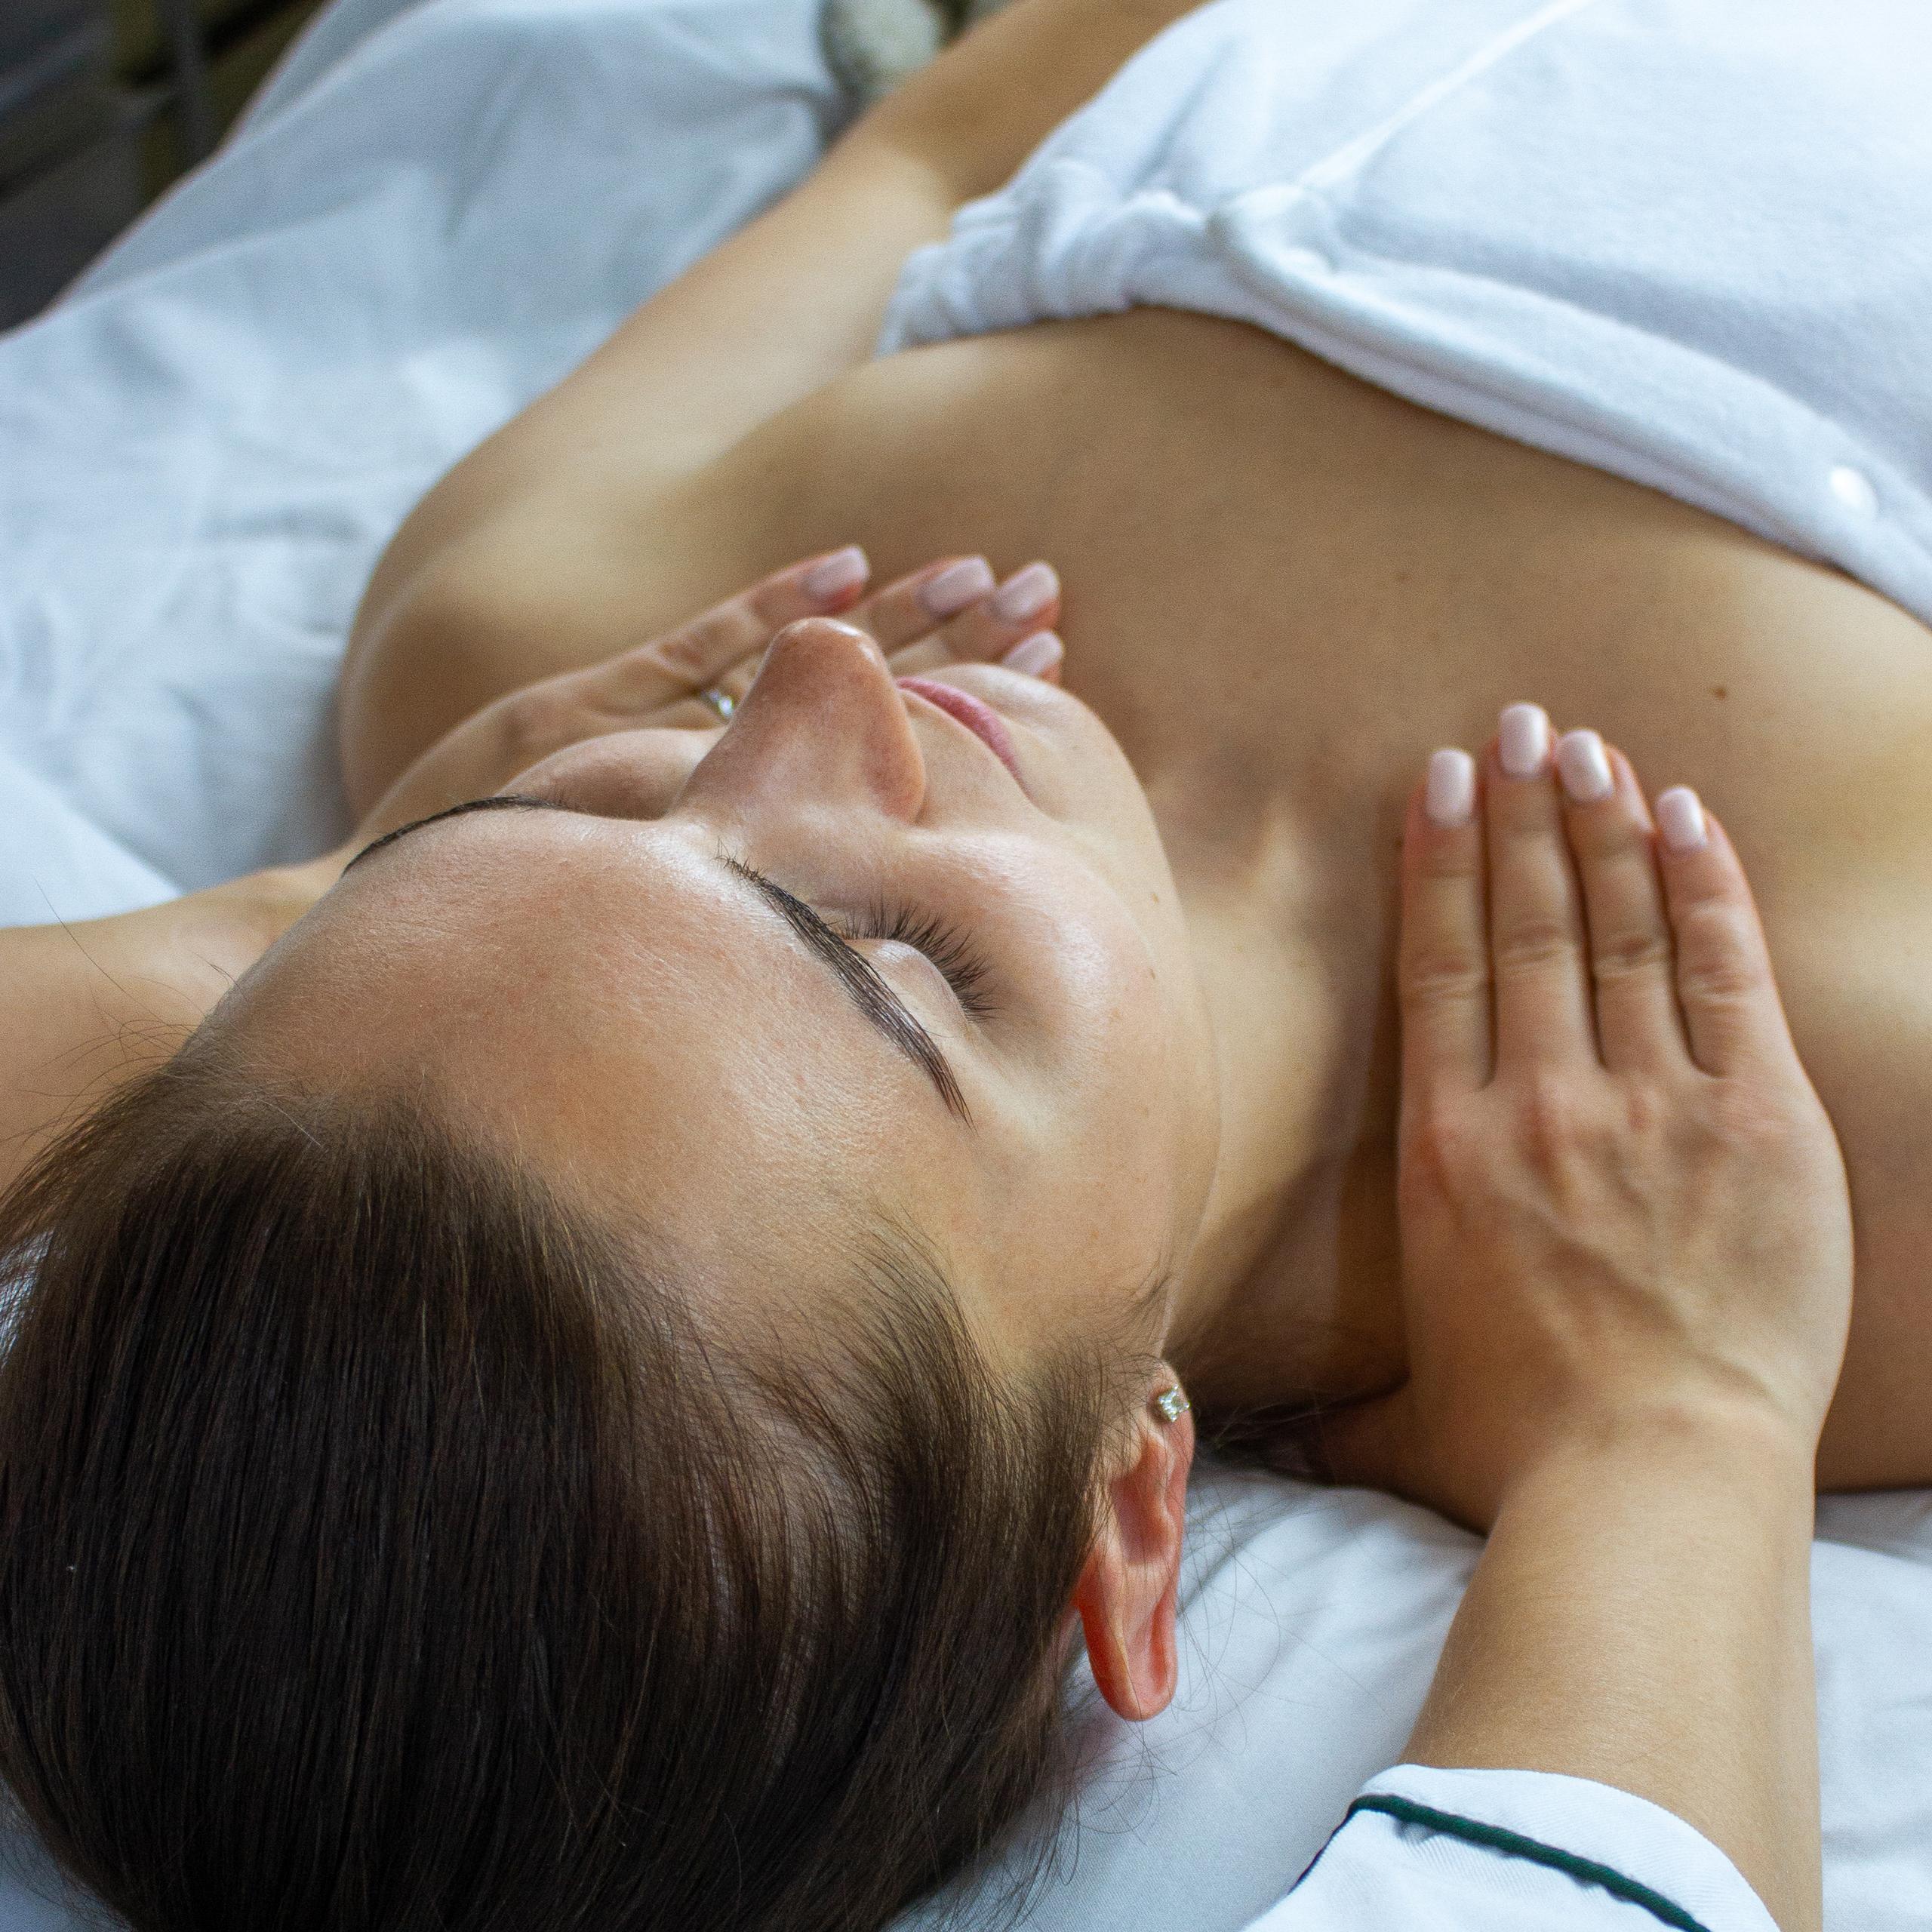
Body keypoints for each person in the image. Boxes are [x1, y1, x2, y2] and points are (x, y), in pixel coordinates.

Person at [0, 0, 1898, 1923]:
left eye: (564, 810)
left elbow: (931, 147)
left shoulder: (514, 631)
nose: (814, 684)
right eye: (896, 962)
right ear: (1126, 1505)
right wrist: (1673, 1422)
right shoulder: (1841, 1163)